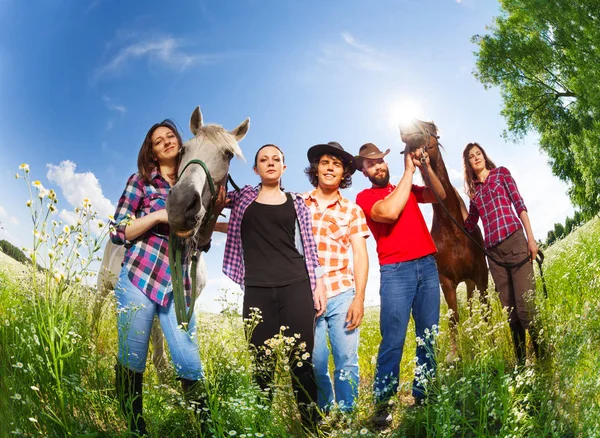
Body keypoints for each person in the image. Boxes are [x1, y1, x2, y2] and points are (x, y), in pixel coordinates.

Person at [111, 120, 207, 435]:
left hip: (179, 283)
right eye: (157, 141)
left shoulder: (193, 183)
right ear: (151, 152)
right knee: (133, 356)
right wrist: (157, 215)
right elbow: (118, 230)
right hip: (140, 277)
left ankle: (206, 427)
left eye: (170, 136)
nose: (166, 142)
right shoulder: (141, 182)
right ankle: (134, 427)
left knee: (188, 359)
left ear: (180, 142)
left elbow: (200, 234)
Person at [221, 144, 327, 429]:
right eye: (263, 160)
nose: (270, 163)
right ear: (255, 169)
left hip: (296, 285)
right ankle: (260, 428)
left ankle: (312, 428)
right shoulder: (243, 197)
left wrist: (318, 286)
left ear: (284, 167)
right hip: (257, 289)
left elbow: (310, 247)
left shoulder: (296, 202)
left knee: (301, 364)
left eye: (276, 159)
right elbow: (213, 197)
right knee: (262, 366)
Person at [354, 142, 446, 423]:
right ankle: (383, 403)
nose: (378, 166)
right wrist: (409, 171)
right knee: (393, 339)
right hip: (396, 271)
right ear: (364, 171)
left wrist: (426, 167)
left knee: (428, 335)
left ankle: (425, 392)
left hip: (427, 265)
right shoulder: (364, 197)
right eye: (371, 164)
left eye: (380, 160)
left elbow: (439, 195)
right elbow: (390, 213)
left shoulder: (405, 188)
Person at [302, 142, 369, 413]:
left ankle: (348, 416)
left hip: (342, 292)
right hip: (306, 296)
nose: (330, 168)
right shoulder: (298, 203)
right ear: (316, 169)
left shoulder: (352, 210)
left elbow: (360, 255)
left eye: (337, 164)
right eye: (325, 162)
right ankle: (326, 412)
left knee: (346, 359)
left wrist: (359, 299)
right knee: (315, 361)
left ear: (344, 174)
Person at [463, 142, 542, 364]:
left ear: (484, 156)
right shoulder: (474, 192)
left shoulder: (501, 174)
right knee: (510, 312)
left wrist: (531, 240)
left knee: (526, 307)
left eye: (478, 153)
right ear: (468, 163)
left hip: (516, 242)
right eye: (471, 156)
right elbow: (470, 223)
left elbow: (520, 205)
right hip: (494, 255)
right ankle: (520, 364)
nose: (476, 157)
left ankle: (543, 357)